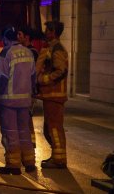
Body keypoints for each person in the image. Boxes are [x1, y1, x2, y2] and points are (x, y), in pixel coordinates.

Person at [0, 26, 37, 175]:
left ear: (5, 39)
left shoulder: (6, 53)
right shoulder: (28, 52)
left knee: (10, 133)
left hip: (9, 101)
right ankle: (29, 162)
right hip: (25, 101)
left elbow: (1, 78)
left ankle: (13, 164)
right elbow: (33, 76)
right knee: (24, 131)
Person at [36, 21, 69, 169]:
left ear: (53, 32)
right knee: (50, 128)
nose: (45, 33)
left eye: (47, 30)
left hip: (54, 95)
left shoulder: (57, 49)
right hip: (50, 95)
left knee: (54, 128)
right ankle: (56, 157)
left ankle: (59, 160)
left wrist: (44, 79)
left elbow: (61, 70)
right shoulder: (50, 47)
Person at [17, 25, 39, 148]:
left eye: (20, 35)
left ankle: (30, 141)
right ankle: (29, 140)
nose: (18, 37)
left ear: (27, 37)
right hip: (24, 90)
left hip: (28, 90)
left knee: (27, 116)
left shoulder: (32, 52)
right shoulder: (26, 51)